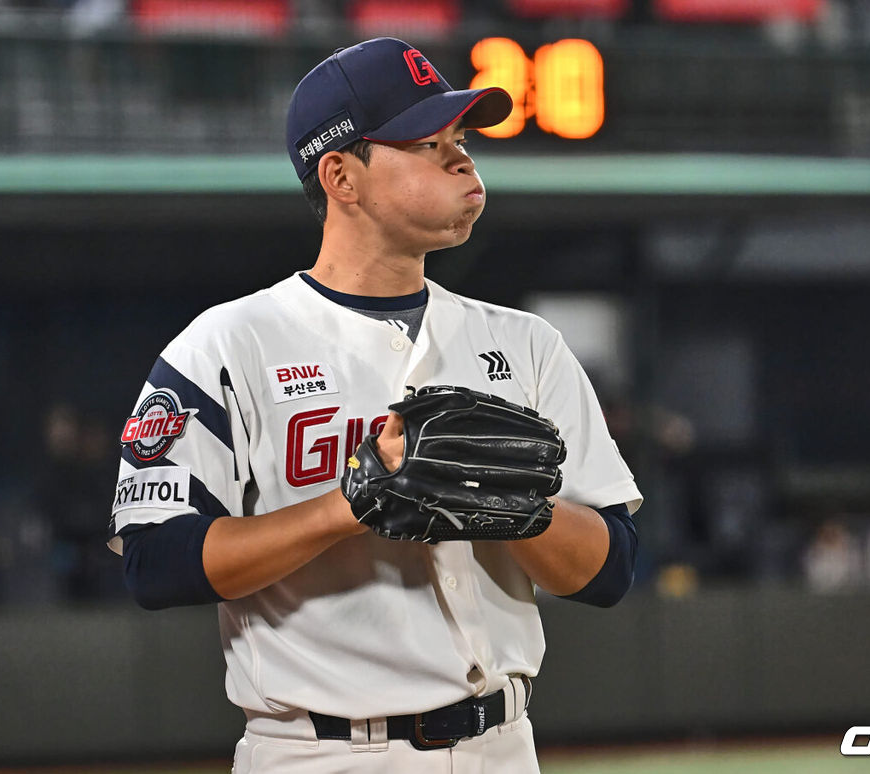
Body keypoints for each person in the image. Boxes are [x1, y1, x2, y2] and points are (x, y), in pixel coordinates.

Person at [108, 37, 642, 773]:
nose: (462, 159)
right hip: (319, 753)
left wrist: (522, 509)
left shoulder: (526, 344)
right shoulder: (229, 344)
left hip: (503, 747)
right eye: (427, 143)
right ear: (341, 176)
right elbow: (156, 563)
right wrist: (351, 501)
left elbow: (611, 571)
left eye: (460, 140)